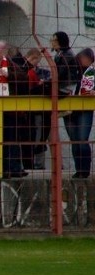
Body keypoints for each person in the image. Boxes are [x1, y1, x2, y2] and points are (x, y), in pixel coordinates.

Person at [0, 40, 28, 178]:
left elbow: (23, 78)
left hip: (10, 111)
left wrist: (9, 75)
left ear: (3, 51)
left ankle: (13, 168)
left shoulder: (12, 65)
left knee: (11, 139)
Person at [64, 48, 94, 179]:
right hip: (69, 108)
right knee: (74, 140)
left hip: (84, 108)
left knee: (82, 139)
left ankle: (85, 169)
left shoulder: (91, 72)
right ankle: (79, 169)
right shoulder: (72, 70)